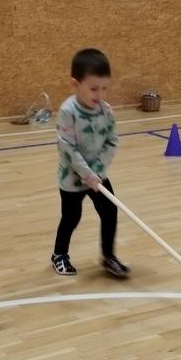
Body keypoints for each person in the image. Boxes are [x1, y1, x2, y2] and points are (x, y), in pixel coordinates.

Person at [51, 48, 130, 278]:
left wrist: (96, 172)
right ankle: (59, 254)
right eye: (94, 88)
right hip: (72, 178)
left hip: (97, 175)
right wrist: (86, 174)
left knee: (110, 211)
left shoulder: (106, 111)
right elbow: (67, 148)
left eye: (104, 88)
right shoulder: (68, 112)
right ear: (75, 85)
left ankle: (108, 256)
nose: (100, 94)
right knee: (71, 217)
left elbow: (112, 142)